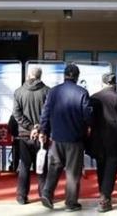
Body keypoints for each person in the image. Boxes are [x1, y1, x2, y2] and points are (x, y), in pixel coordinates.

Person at [40, 64, 92, 212]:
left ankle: (46, 193)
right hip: (75, 139)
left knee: (54, 168)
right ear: (77, 76)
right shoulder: (82, 92)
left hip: (56, 138)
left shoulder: (53, 91)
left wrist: (44, 130)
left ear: (64, 75)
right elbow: (87, 116)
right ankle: (71, 203)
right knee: (73, 173)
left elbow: (46, 113)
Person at [88, 73, 117, 213]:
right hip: (115, 139)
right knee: (111, 169)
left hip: (97, 139)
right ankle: (105, 197)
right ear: (115, 84)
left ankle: (103, 192)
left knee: (101, 167)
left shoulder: (94, 98)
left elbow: (89, 120)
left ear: (102, 83)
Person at [12, 67, 50, 205]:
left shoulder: (18, 92)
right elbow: (48, 113)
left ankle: (21, 196)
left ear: (28, 75)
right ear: (40, 76)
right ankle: (44, 195)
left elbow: (16, 114)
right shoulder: (47, 91)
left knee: (24, 166)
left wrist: (29, 127)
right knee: (42, 166)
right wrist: (39, 127)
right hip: (42, 135)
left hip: (24, 135)